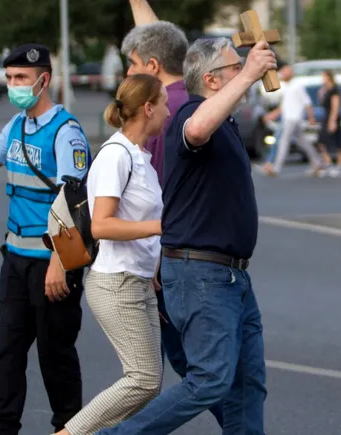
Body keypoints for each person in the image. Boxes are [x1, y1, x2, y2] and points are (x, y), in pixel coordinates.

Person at [94, 37, 275, 435]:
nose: (244, 75)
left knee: (247, 385)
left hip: (231, 275)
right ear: (211, 80)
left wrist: (241, 73)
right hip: (203, 275)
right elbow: (196, 128)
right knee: (209, 380)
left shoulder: (223, 120)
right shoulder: (191, 115)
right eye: (234, 68)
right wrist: (250, 73)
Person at [0, 43, 90, 435]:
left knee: (55, 357)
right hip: (14, 259)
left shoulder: (67, 132)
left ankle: (69, 429)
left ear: (43, 80)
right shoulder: (15, 126)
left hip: (52, 263)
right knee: (7, 355)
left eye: (21, 79)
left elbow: (74, 200)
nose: (13, 86)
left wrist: (61, 264)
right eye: (9, 78)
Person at [121, 0, 226, 426]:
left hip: (173, 257)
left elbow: (161, 195)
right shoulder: (188, 91)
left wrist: (156, 253)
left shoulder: (163, 113)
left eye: (132, 66)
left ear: (150, 64)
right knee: (209, 371)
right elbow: (160, 39)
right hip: (197, 253)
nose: (127, 75)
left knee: (195, 369)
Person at [55, 74, 168, 435]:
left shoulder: (140, 156)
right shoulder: (116, 155)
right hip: (115, 282)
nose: (168, 110)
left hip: (137, 280)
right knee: (143, 380)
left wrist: (153, 263)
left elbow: (138, 216)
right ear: (147, 108)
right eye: (164, 103)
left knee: (148, 386)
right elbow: (101, 225)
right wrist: (160, 230)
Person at [257, 62, 321, 177]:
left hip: (293, 118)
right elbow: (284, 106)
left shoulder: (297, 85)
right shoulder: (286, 86)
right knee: (303, 142)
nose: (282, 73)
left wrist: (311, 117)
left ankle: (276, 168)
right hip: (289, 118)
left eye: (285, 70)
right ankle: (317, 162)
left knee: (283, 141)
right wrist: (273, 115)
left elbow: (307, 102)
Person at [316, 70, 341, 177]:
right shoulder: (326, 90)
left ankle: (338, 164)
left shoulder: (334, 90)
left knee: (333, 141)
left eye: (324, 76)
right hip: (326, 116)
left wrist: (332, 121)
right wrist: (322, 91)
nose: (322, 78)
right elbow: (321, 102)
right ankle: (329, 163)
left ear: (329, 77)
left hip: (332, 117)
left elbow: (335, 106)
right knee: (323, 141)